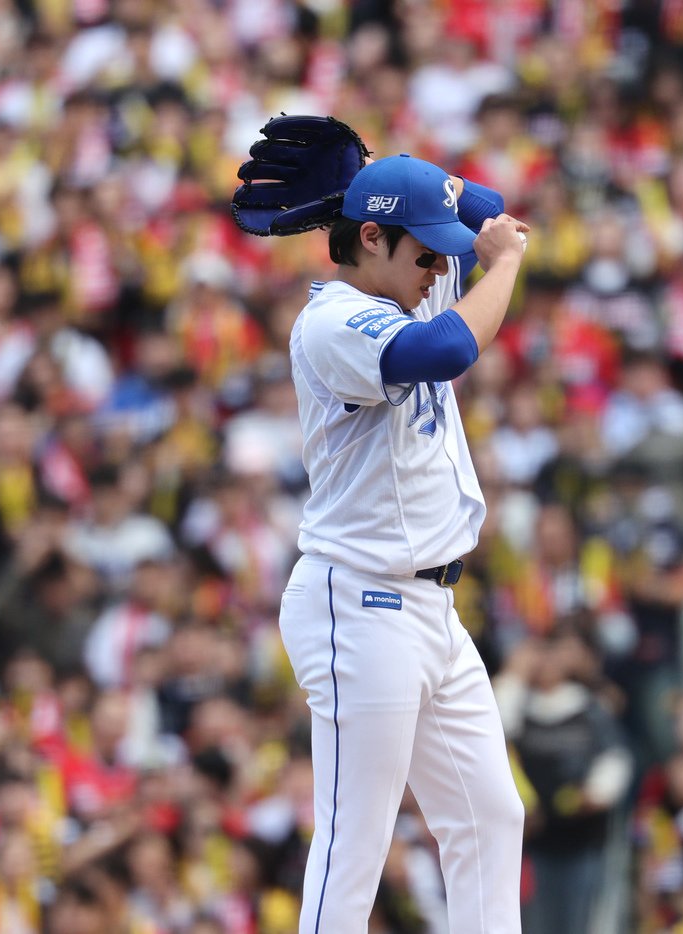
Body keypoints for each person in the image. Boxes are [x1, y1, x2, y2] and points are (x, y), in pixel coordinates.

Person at [275, 153, 530, 933]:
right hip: (360, 599)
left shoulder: (404, 271)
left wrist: (405, 174)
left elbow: (487, 213)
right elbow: (445, 352)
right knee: (358, 841)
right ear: (374, 240)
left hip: (430, 608)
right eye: (425, 250)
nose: (440, 264)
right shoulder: (332, 320)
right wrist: (507, 263)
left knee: (491, 816)